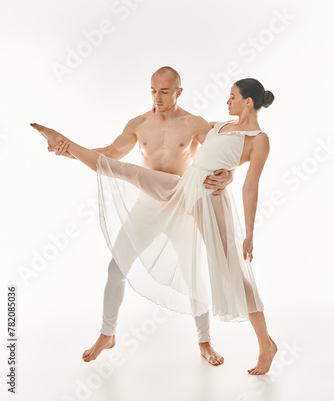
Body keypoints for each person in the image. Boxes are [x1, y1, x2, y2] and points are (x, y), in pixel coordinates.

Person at [31, 76, 278, 375]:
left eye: (163, 91)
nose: (156, 97)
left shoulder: (223, 130)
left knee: (214, 272)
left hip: (194, 199)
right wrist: (67, 152)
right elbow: (111, 154)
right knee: (125, 188)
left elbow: (239, 171)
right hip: (166, 194)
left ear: (178, 92)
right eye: (152, 90)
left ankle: (233, 343)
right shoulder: (184, 125)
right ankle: (107, 334)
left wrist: (230, 180)